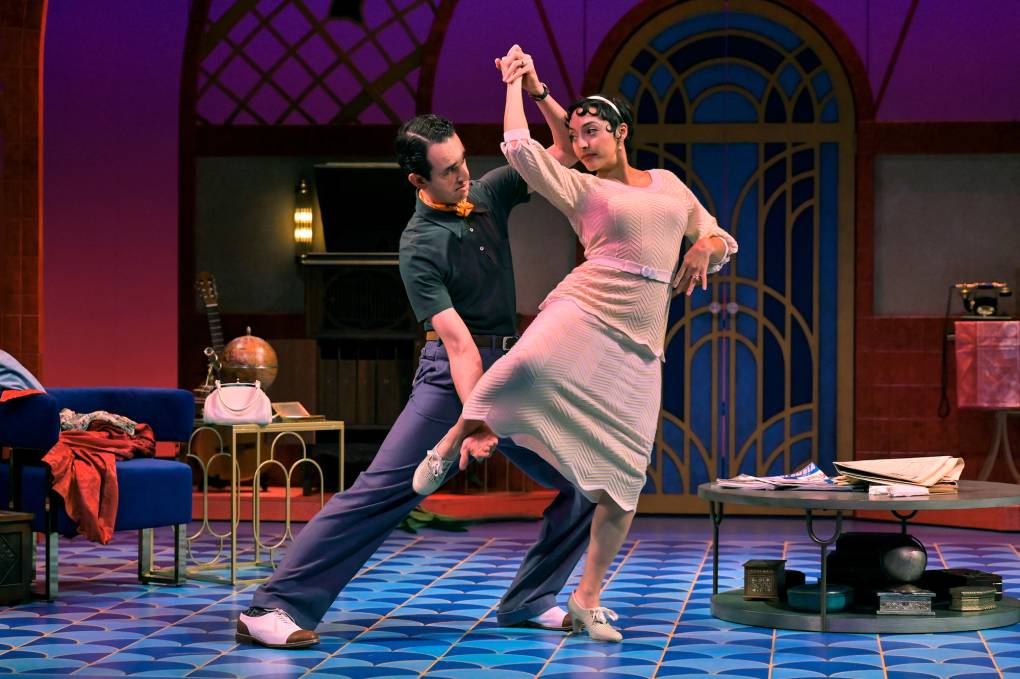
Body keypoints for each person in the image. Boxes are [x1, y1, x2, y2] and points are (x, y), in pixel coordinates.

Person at [235, 52, 598, 650]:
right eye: (449, 171)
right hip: (450, 379)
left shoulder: (488, 193)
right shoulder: (419, 245)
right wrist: (474, 419)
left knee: (589, 482)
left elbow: (555, 154)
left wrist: (534, 90)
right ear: (417, 180)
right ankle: (272, 607)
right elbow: (457, 346)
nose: (463, 176)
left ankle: (531, 598)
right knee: (384, 492)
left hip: (513, 370)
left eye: (463, 163)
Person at [413, 46, 739, 642]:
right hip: (585, 307)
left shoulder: (667, 184)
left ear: (621, 133)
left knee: (624, 480)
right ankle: (456, 438)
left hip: (641, 341)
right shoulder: (578, 188)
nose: (583, 143)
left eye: (594, 132)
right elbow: (518, 146)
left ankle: (586, 599)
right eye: (577, 135)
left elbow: (718, 235)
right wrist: (517, 82)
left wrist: (700, 247)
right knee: (521, 369)